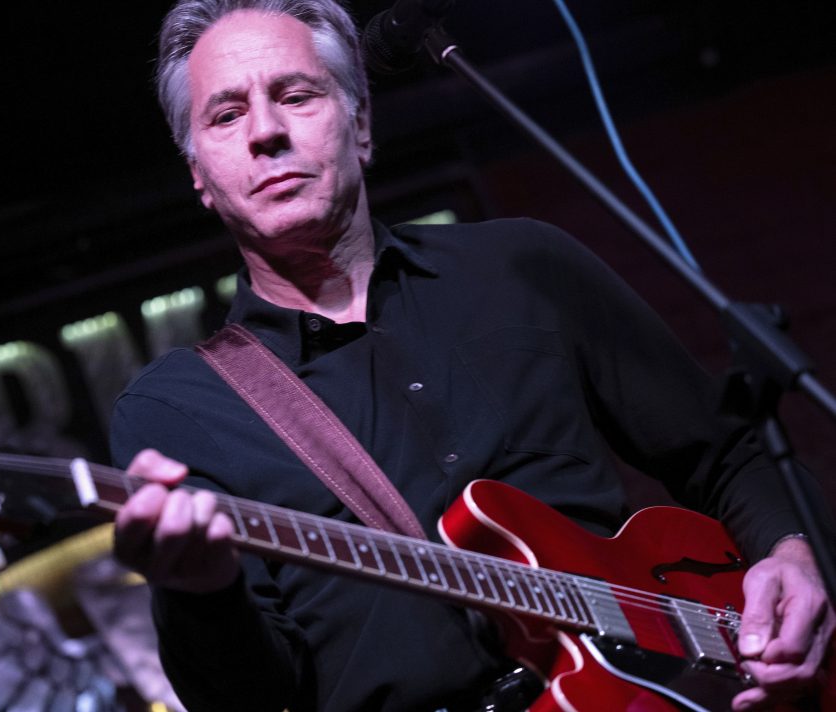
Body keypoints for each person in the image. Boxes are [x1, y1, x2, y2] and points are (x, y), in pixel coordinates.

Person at [110, 1, 835, 709]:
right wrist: (200, 591)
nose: (266, 132)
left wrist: (796, 555)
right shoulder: (176, 410)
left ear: (361, 125)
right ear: (199, 174)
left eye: (296, 96)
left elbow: (728, 452)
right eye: (226, 115)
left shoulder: (523, 265)